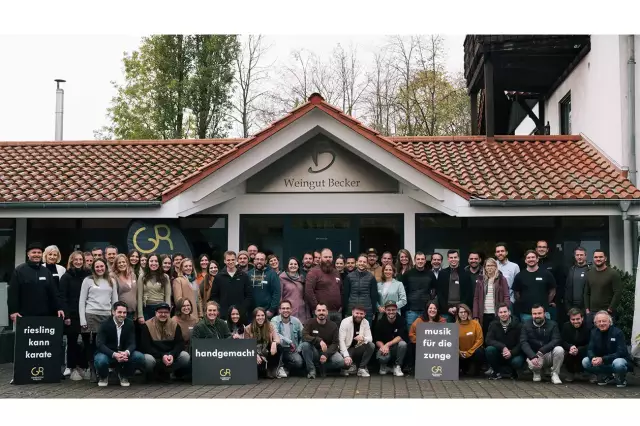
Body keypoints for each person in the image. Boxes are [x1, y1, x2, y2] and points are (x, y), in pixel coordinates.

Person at [79, 258, 119, 382]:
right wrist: (82, 320)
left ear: (105, 267)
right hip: (91, 315)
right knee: (90, 345)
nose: (100, 269)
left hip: (107, 316)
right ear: (93, 268)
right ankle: (92, 371)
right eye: (97, 267)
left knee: (105, 344)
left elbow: (115, 301)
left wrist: (115, 318)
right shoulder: (88, 280)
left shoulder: (111, 280)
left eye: (102, 266)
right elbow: (82, 300)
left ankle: (103, 369)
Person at [8, 242, 65, 322]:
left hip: (44, 315)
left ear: (42, 254)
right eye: (33, 252)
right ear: (28, 254)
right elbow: (13, 293)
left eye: (39, 252)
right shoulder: (19, 271)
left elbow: (54, 292)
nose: (36, 255)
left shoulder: (46, 271)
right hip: (24, 315)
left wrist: (59, 308)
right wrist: (13, 311)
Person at [94, 301, 145, 387]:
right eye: (119, 312)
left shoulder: (130, 323)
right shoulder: (104, 324)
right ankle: (103, 376)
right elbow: (100, 344)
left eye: (124, 312)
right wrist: (114, 354)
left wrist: (126, 352)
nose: (122, 315)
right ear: (113, 312)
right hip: (108, 353)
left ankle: (124, 375)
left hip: (123, 353)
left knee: (139, 357)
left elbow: (132, 343)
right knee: (100, 360)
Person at [59, 251, 91, 381]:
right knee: (72, 343)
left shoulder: (88, 275)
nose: (78, 262)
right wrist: (66, 316)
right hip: (72, 315)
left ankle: (84, 367)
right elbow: (62, 297)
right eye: (75, 260)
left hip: (86, 313)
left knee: (87, 342)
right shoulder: (66, 277)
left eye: (80, 259)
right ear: (71, 261)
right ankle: (72, 368)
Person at [140, 303, 191, 382]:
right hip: (155, 356)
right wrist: (162, 356)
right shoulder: (147, 325)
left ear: (169, 313)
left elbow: (180, 344)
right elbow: (145, 346)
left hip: (170, 355)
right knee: (148, 360)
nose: (163, 314)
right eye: (160, 312)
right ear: (155, 313)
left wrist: (171, 354)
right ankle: (151, 373)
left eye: (166, 312)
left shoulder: (175, 325)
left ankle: (173, 373)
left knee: (185, 356)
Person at [582, 310, 630, 387]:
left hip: (617, 359)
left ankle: (621, 378)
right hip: (602, 360)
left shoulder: (618, 332)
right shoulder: (594, 332)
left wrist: (603, 359)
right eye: (599, 321)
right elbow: (590, 349)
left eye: (604, 321)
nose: (601, 323)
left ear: (609, 322)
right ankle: (607, 375)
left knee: (619, 364)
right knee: (586, 361)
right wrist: (593, 358)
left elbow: (621, 352)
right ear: (596, 323)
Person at [520, 304, 564, 384]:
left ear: (544, 313)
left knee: (559, 350)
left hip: (547, 354)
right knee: (533, 364)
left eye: (539, 313)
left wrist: (542, 350)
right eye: (534, 314)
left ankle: (555, 373)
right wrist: (532, 356)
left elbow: (556, 340)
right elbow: (523, 342)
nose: (537, 316)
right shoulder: (526, 325)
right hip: (534, 355)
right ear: (531, 314)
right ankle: (536, 372)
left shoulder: (553, 324)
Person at [301, 303, 345, 378]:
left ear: (327, 312)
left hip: (327, 351)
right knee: (305, 345)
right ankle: (311, 370)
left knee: (340, 361)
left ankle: (321, 366)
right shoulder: (310, 322)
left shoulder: (333, 325)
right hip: (314, 351)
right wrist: (319, 340)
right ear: (315, 312)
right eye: (319, 310)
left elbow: (335, 343)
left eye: (323, 310)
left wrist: (326, 354)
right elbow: (304, 336)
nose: (321, 312)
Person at [512, 250, 556, 322]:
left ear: (537, 259)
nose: (531, 259)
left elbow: (552, 291)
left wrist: (546, 302)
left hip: (543, 312)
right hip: (526, 313)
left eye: (533, 257)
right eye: (528, 258)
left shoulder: (546, 274)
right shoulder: (520, 276)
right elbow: (516, 294)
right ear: (525, 260)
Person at [485, 303, 524, 380]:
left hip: (514, 354)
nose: (503, 314)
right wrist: (502, 347)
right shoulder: (493, 324)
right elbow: (488, 340)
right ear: (498, 314)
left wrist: (511, 352)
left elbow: (521, 343)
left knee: (517, 362)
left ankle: (513, 372)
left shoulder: (518, 325)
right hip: (500, 353)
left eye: (505, 312)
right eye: (501, 312)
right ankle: (496, 372)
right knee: (489, 350)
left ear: (509, 312)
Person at [473, 257, 510, 337]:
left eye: (492, 265)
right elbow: (476, 298)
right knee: (484, 333)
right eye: (488, 265)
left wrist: (505, 310)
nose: (490, 267)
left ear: (496, 267)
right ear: (485, 267)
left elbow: (506, 296)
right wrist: (475, 314)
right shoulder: (480, 280)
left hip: (497, 313)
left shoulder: (501, 279)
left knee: (497, 334)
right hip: (484, 313)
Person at [305, 249, 343, 325]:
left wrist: (341, 306)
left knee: (335, 335)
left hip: (336, 312)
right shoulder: (313, 272)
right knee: (321, 335)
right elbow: (309, 292)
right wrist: (318, 309)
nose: (328, 259)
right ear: (320, 258)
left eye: (330, 257)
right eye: (325, 257)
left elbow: (341, 290)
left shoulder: (336, 272)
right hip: (321, 313)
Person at [212, 251, 253, 320]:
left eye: (233, 260)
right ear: (224, 261)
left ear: (236, 260)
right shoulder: (218, 277)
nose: (230, 262)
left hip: (240, 315)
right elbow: (214, 296)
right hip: (223, 316)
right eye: (228, 260)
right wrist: (220, 310)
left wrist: (242, 309)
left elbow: (249, 295)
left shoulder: (244, 276)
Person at [435, 250, 474, 323]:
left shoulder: (466, 273)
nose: (453, 259)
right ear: (448, 259)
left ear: (458, 258)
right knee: (448, 333)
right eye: (451, 257)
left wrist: (460, 307)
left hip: (462, 311)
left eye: (455, 257)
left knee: (461, 333)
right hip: (446, 311)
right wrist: (447, 308)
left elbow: (468, 293)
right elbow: (440, 293)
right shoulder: (442, 273)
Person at [584, 249, 622, 323]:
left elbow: (618, 292)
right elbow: (586, 293)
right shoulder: (589, 273)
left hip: (607, 312)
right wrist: (587, 309)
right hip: (592, 313)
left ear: (605, 258)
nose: (598, 259)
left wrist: (610, 309)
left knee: (608, 334)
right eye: (596, 257)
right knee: (592, 334)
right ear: (593, 258)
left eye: (600, 257)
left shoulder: (613, 274)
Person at [245, 307, 283, 379]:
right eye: (258, 315)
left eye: (262, 315)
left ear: (265, 316)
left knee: (279, 347)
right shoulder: (248, 328)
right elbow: (246, 346)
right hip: (256, 354)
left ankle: (271, 369)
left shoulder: (270, 325)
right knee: (259, 372)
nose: (260, 317)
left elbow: (277, 338)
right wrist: (255, 355)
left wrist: (274, 343)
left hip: (267, 352)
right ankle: (263, 370)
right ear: (254, 317)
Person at [401, 252, 436, 328]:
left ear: (425, 261)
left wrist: (431, 302)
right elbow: (402, 291)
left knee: (425, 335)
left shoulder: (430, 274)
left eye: (422, 259)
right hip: (411, 310)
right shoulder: (408, 274)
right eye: (418, 259)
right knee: (411, 335)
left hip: (426, 311)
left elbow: (434, 290)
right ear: (415, 260)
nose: (420, 261)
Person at [338, 306, 375, 377]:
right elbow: (341, 340)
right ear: (352, 312)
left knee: (371, 345)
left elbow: (370, 338)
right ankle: (346, 368)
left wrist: (363, 338)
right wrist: (346, 356)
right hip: (346, 348)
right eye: (357, 313)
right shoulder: (345, 322)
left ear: (364, 314)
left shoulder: (366, 322)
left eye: (361, 314)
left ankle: (361, 368)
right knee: (346, 365)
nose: (359, 315)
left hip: (357, 347)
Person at [271, 300, 304, 377]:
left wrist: (299, 348)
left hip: (292, 350)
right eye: (283, 308)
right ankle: (278, 366)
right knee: (279, 342)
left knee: (299, 363)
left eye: (287, 308)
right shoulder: (274, 320)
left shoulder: (296, 321)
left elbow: (303, 336)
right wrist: (289, 342)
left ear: (291, 310)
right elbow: (276, 334)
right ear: (279, 310)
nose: (285, 310)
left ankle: (285, 368)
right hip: (279, 349)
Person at [374, 301, 407, 376]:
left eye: (393, 310)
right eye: (388, 310)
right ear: (385, 310)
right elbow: (377, 340)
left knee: (403, 344)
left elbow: (400, 337)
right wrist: (383, 347)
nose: (391, 312)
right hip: (383, 348)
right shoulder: (380, 322)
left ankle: (397, 367)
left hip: (395, 348)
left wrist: (387, 345)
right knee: (382, 358)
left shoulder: (401, 320)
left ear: (396, 310)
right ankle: (383, 367)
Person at [136, 254, 172, 322]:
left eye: (156, 261)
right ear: (148, 263)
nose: (153, 263)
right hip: (146, 309)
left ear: (159, 263)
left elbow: (167, 297)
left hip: (161, 309)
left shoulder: (165, 277)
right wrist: (140, 315)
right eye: (151, 261)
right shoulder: (142, 277)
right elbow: (139, 297)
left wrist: (168, 313)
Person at [343, 254, 377, 323]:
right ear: (356, 262)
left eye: (364, 262)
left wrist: (373, 311)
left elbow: (374, 296)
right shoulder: (349, 277)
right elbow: (345, 295)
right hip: (351, 310)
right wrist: (346, 310)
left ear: (367, 263)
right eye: (360, 261)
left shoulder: (371, 278)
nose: (362, 263)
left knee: (365, 333)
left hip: (367, 312)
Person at [561, 308, 590, 382]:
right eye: (573, 319)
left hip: (584, 349)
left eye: (578, 319)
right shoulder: (566, 326)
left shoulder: (588, 327)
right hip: (570, 350)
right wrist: (570, 347)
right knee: (563, 353)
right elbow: (562, 341)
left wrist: (579, 349)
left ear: (582, 318)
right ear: (570, 319)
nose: (575, 321)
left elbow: (591, 343)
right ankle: (570, 373)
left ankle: (590, 373)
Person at [248, 252, 281, 319]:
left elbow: (277, 293)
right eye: (257, 259)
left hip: (267, 312)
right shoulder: (248, 274)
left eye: (261, 259)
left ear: (265, 261)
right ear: (254, 261)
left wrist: (271, 310)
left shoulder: (272, 274)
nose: (259, 261)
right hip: (251, 312)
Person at [456, 303, 484, 376]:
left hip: (472, 354)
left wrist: (469, 352)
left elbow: (480, 340)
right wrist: (459, 352)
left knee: (479, 352)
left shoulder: (475, 324)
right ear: (458, 314)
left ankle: (476, 369)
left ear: (468, 312)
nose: (463, 314)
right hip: (460, 355)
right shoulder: (455, 325)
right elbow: (452, 342)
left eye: (465, 312)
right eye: (461, 312)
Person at [279, 257, 310, 323]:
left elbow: (305, 298)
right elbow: (280, 297)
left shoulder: (302, 279)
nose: (293, 266)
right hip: (287, 312)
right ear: (288, 266)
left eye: (295, 264)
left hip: (301, 313)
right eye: (291, 264)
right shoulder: (282, 278)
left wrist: (308, 315)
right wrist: (279, 314)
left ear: (298, 266)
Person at [111, 254, 137, 321]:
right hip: (121, 313)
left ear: (127, 263)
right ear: (116, 265)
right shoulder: (113, 276)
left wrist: (138, 312)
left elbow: (137, 294)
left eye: (123, 262)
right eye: (119, 263)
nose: (122, 264)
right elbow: (112, 296)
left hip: (133, 312)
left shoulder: (133, 275)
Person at [565, 247, 590, 311]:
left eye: (581, 255)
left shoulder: (590, 270)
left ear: (585, 256)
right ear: (575, 256)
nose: (579, 257)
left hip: (586, 306)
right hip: (572, 306)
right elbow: (567, 288)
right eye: (577, 255)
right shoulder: (571, 270)